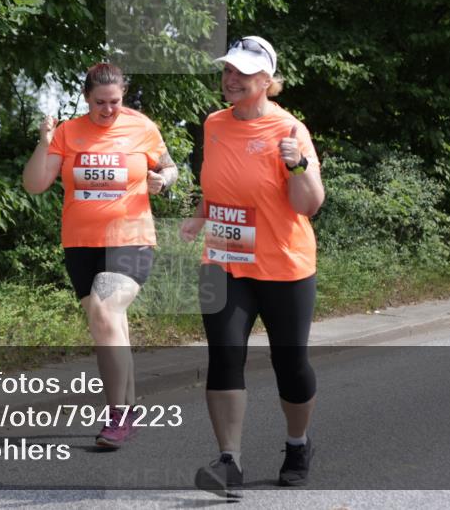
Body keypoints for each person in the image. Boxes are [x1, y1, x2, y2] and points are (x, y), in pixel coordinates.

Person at [180, 36, 325, 498]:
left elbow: (311, 204)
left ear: (267, 81)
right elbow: (222, 181)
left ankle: (298, 444)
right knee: (223, 356)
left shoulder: (290, 130)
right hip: (224, 256)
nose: (231, 79)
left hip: (283, 262)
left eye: (243, 73)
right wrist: (202, 213)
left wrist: (298, 166)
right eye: (227, 71)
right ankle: (229, 462)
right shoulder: (214, 124)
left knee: (291, 363)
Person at [23, 62, 177, 449]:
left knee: (106, 310)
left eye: (115, 102)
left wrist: (164, 180)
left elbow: (170, 167)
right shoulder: (68, 132)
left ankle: (117, 415)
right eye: (100, 103)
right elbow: (36, 184)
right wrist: (44, 141)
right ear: (86, 97)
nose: (109, 110)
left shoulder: (141, 126)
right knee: (109, 323)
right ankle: (128, 408)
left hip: (131, 237)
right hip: (80, 243)